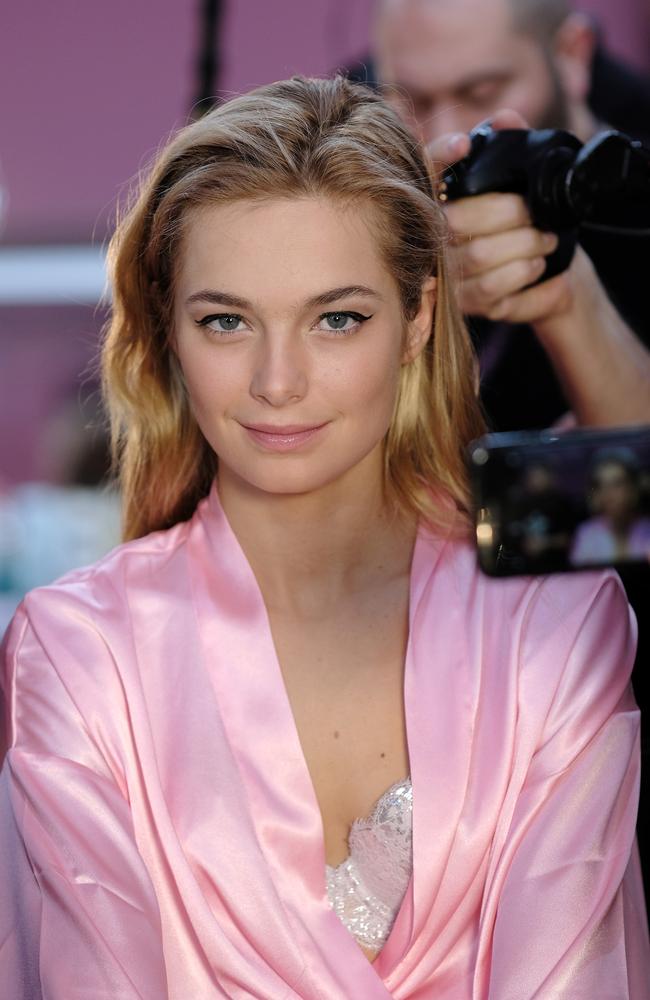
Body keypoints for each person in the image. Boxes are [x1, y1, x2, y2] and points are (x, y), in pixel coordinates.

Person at [1, 77, 648, 998]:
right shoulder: (79, 654)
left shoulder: (558, 622)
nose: (277, 381)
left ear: (418, 318)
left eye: (336, 318)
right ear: (170, 333)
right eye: (226, 321)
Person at [362, 0, 650, 430]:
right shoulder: (365, 152)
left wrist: (566, 298)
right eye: (411, 101)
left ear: (572, 55)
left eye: (481, 93)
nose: (447, 136)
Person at [571, 450, 650, 565]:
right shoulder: (586, 534)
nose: (608, 494)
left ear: (633, 489)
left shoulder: (647, 529)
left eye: (617, 484)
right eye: (601, 485)